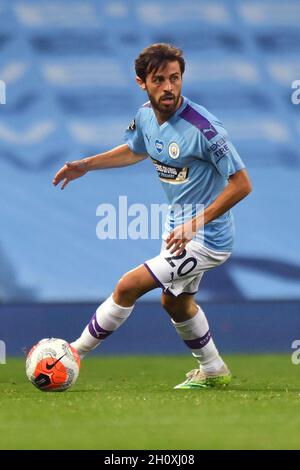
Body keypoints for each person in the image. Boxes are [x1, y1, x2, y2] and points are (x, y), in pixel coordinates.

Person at [53, 43, 252, 389]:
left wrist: (195, 223)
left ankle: (72, 354)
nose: (169, 87)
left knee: (128, 286)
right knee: (175, 303)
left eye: (175, 78)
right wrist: (85, 165)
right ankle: (213, 369)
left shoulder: (205, 129)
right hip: (179, 230)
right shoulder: (145, 115)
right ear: (141, 82)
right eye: (159, 80)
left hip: (207, 238)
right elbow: (134, 150)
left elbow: (242, 184)